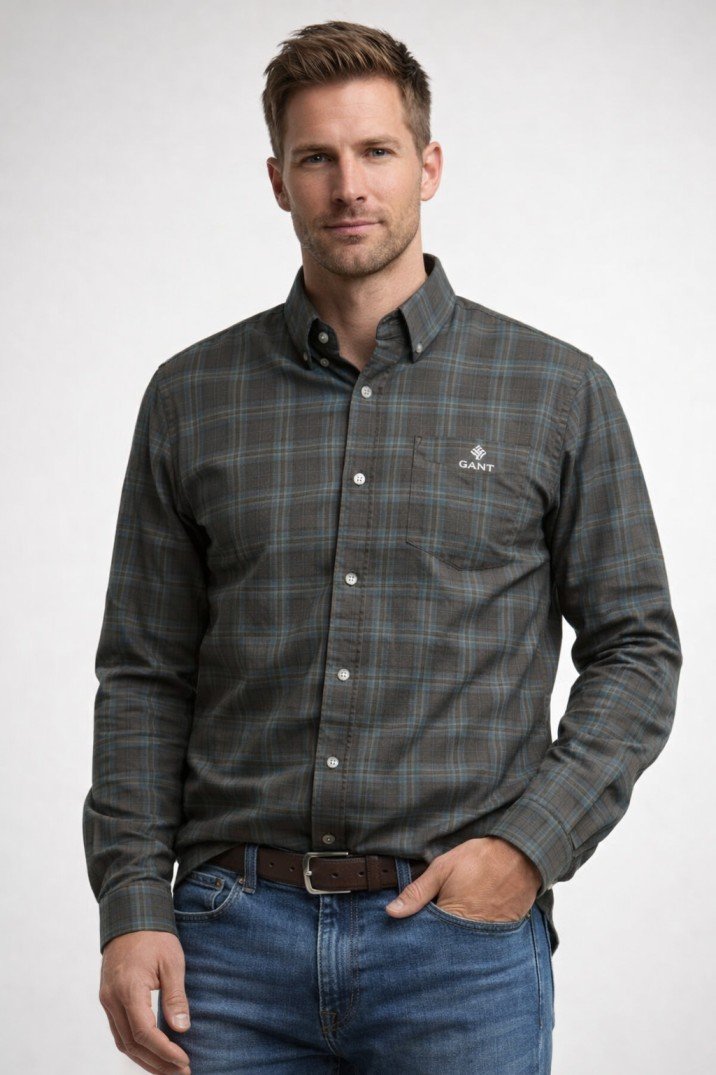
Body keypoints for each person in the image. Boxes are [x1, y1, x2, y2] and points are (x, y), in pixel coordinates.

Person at [82, 19, 682, 1075]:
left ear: (428, 166)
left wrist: (527, 847)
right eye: (316, 157)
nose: (348, 186)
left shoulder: (555, 390)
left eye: (376, 151)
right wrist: (132, 904)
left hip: (457, 952)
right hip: (230, 943)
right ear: (278, 180)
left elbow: (636, 648)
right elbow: (144, 673)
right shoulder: (191, 397)